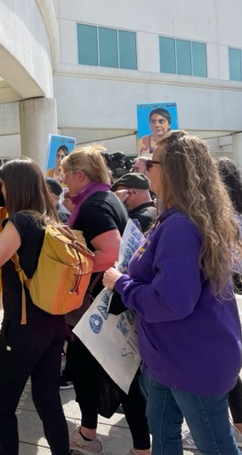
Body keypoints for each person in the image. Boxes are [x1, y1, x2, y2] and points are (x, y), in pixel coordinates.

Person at [103, 131, 242, 455]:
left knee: (216, 445)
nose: (145, 168)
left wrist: (121, 283)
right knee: (163, 432)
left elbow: (171, 301)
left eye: (151, 163)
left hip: (191, 362)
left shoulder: (180, 226)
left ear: (173, 170)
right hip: (172, 358)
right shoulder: (181, 218)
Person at [60, 145, 150, 455]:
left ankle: (93, 439)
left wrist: (71, 268)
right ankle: (95, 436)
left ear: (80, 175)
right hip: (110, 300)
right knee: (117, 374)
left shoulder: (93, 207)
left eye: (65, 174)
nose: (63, 181)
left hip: (97, 306)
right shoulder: (106, 197)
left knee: (107, 376)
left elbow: (110, 253)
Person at [0, 158, 69, 454]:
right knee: (48, 401)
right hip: (53, 322)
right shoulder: (48, 216)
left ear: (13, 186)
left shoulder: (21, 221)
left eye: (1, 184)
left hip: (24, 327)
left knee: (2, 405)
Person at [180, 157, 242, 451]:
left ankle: (240, 431)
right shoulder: (235, 212)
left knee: (223, 366)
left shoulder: (217, 214)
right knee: (228, 363)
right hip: (239, 282)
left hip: (227, 283)